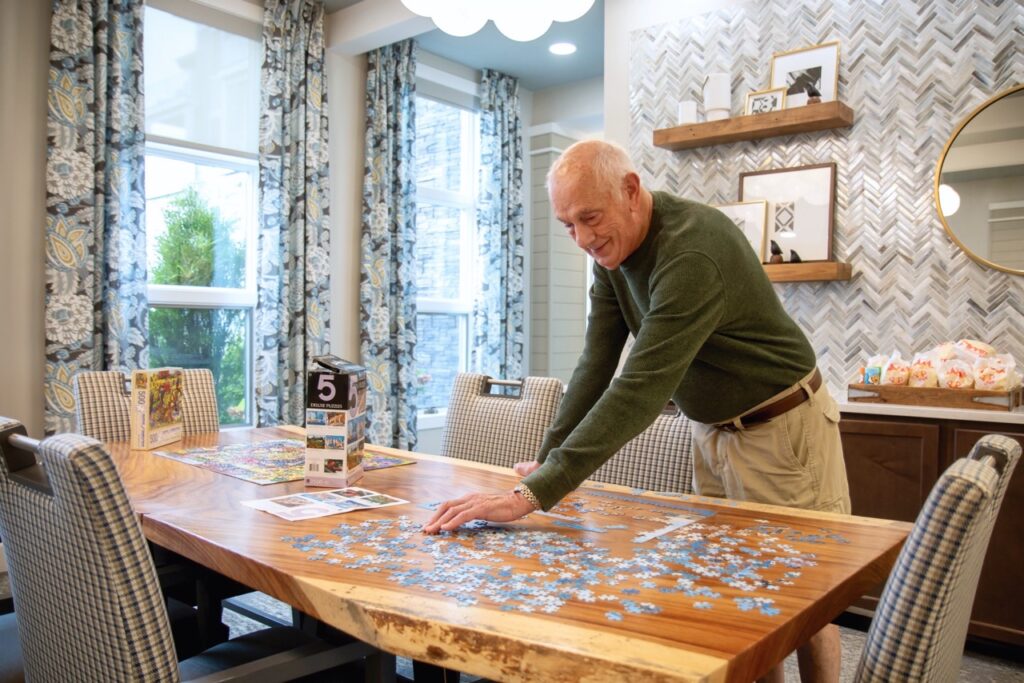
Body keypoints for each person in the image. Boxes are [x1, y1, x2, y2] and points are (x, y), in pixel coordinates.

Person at [423, 139, 850, 683]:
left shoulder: (692, 251)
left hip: (781, 426)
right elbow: (596, 362)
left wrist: (533, 494)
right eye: (568, 225)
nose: (582, 238)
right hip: (713, 431)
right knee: (740, 597)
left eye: (590, 218)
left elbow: (641, 387)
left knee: (804, 592)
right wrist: (548, 458)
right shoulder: (613, 256)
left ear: (630, 191)